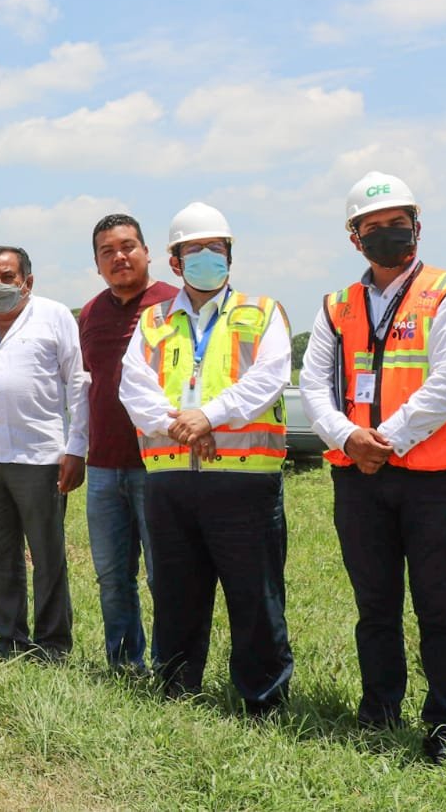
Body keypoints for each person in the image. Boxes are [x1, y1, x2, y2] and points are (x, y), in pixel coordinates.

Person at [297, 172, 446, 764]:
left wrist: (386, 439)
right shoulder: (336, 306)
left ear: (417, 226)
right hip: (360, 479)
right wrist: (348, 438)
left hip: (436, 480)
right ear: (354, 237)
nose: (388, 233)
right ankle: (378, 715)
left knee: (440, 610)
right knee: (375, 608)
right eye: (374, 226)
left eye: (398, 223)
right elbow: (313, 385)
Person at [119, 203, 293, 714]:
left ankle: (262, 702)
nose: (206, 257)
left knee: (255, 598)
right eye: (194, 250)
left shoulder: (262, 312)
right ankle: (177, 692)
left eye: (215, 248)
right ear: (175, 262)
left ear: (230, 255)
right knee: (176, 595)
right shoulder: (153, 320)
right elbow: (134, 388)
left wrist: (209, 417)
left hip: (245, 482)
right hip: (170, 481)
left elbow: (269, 378)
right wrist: (183, 424)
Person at [0, 246, 88, 662]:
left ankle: (53, 642)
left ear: (28, 281)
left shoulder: (54, 316)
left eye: (8, 276)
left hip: (40, 456)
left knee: (47, 554)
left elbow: (77, 384)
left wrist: (77, 447)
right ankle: (9, 637)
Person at [79, 214, 177, 672]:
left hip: (159, 462)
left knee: (164, 573)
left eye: (128, 246)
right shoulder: (90, 314)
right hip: (103, 464)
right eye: (107, 251)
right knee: (112, 575)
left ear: (147, 251)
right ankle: (123, 662)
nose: (119, 257)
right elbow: (83, 385)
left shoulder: (175, 304)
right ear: (97, 263)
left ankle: (170, 663)